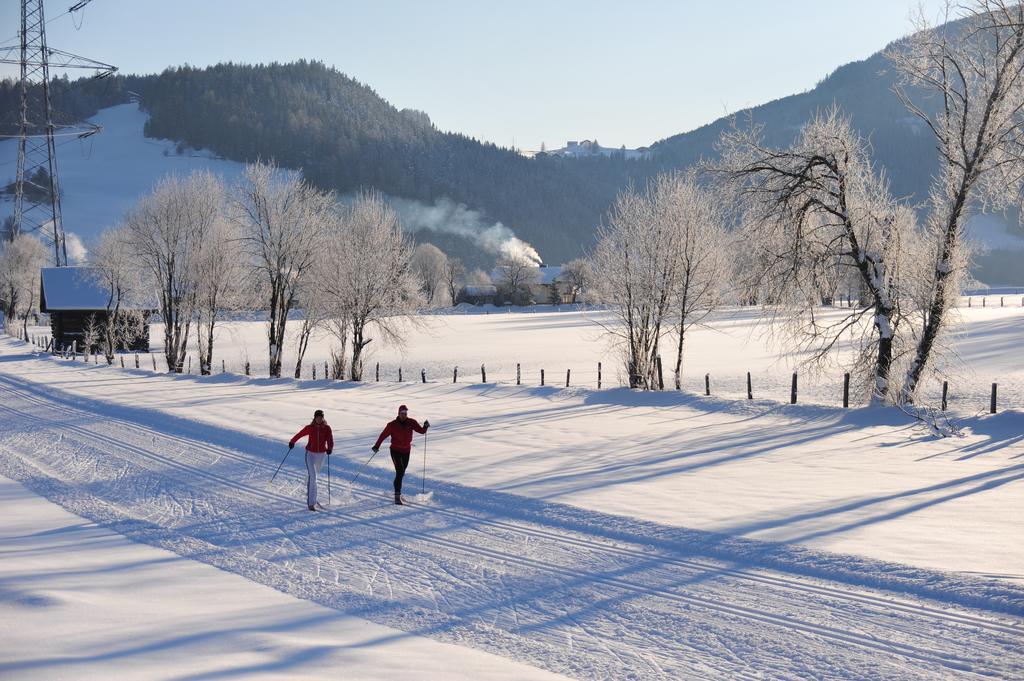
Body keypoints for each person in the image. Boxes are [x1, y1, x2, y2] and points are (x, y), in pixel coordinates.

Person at [372, 404, 429, 504]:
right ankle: (397, 495)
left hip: (406, 451)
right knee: (399, 471)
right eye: (402, 413)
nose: (404, 415)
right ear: (398, 413)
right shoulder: (392, 425)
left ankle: (398, 493)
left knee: (401, 473)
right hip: (395, 450)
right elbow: (383, 435)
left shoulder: (411, 422)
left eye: (405, 413)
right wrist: (377, 446)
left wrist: (425, 426)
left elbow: (421, 431)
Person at [289, 409, 334, 511]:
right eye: (317, 417)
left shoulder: (327, 428)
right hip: (310, 454)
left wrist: (330, 448)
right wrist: (292, 442)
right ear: (314, 418)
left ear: (323, 418)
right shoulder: (310, 428)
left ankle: (310, 491)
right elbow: (300, 434)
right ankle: (311, 503)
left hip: (321, 455)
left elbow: (330, 439)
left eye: (321, 417)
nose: (319, 419)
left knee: (314, 477)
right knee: (313, 476)